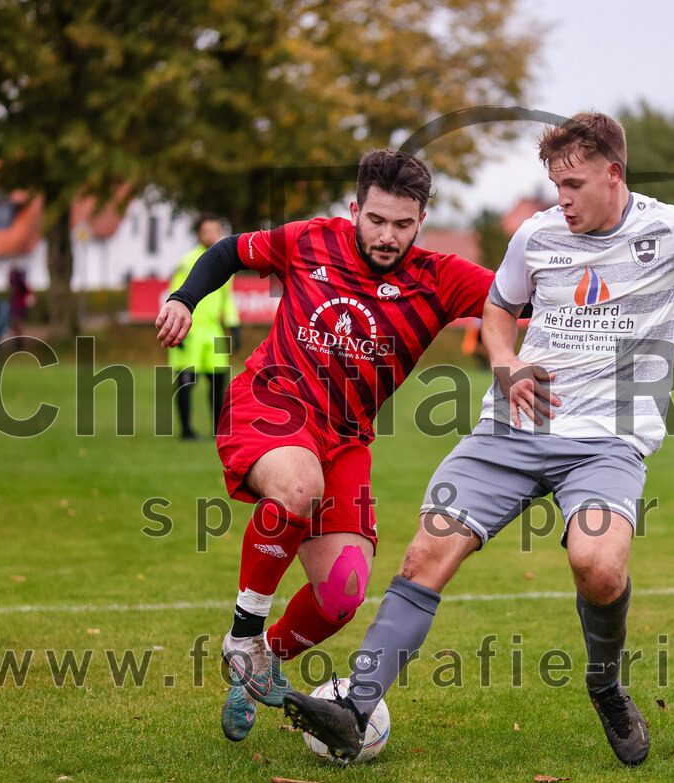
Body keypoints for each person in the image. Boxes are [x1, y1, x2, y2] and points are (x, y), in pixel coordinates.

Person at [282, 112, 674, 767]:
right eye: (554, 183)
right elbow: (499, 309)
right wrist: (504, 363)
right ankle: (355, 708)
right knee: (427, 553)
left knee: (597, 565)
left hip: (607, 443)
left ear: (613, 175)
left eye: (573, 183)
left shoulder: (670, 228)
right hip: (513, 429)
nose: (560, 198)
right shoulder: (536, 235)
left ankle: (604, 684)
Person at [154, 150, 494, 742]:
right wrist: (185, 297)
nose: (388, 236)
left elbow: (521, 299)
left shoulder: (440, 278)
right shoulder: (311, 240)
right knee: (298, 485)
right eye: (377, 220)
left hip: (345, 439)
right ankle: (243, 634)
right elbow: (231, 250)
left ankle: (258, 666)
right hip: (270, 403)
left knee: (341, 594)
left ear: (421, 219)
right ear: (355, 208)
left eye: (403, 224)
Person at [168, 214, 241, 440]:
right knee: (186, 383)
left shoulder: (225, 261)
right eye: (207, 231)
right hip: (190, 331)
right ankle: (186, 430)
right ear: (199, 234)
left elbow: (227, 298)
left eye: (215, 230)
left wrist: (234, 326)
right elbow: (175, 294)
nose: (211, 235)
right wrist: (174, 328)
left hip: (214, 332)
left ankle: (217, 430)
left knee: (219, 382)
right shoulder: (189, 261)